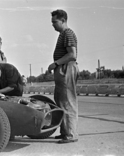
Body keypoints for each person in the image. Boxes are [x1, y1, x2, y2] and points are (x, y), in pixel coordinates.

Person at [48, 9, 79, 144]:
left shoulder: (68, 33)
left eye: (55, 22)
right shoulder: (63, 34)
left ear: (63, 20)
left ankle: (71, 134)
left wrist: (56, 63)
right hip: (62, 68)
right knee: (61, 101)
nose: (53, 24)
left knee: (67, 101)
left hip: (66, 68)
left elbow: (72, 54)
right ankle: (65, 132)